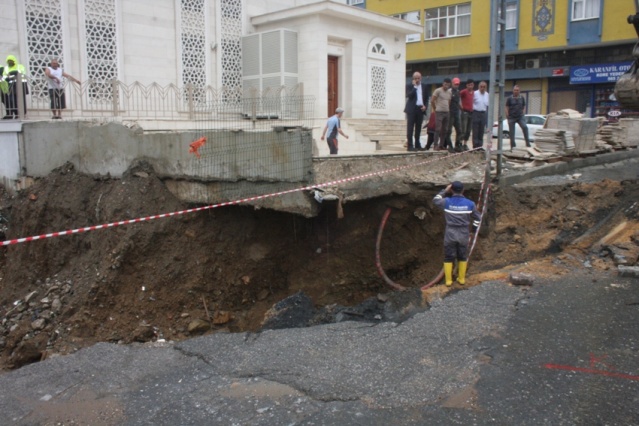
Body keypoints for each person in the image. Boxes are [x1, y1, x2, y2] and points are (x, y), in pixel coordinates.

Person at [433, 181, 481, 287]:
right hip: (464, 233)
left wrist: (444, 190)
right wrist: (473, 229)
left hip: (450, 233)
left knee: (448, 257)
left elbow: (435, 200)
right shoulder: (470, 204)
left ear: (451, 190)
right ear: (463, 190)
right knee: (462, 256)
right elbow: (478, 218)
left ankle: (448, 281)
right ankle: (461, 279)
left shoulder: (446, 202)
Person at [404, 71, 428, 151]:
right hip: (411, 109)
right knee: (410, 128)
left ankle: (418, 144)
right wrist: (414, 87)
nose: (417, 80)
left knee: (418, 128)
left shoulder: (424, 86)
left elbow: (426, 98)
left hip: (420, 109)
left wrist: (425, 106)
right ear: (413, 79)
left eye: (418, 78)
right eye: (415, 78)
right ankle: (410, 146)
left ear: (421, 78)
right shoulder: (409, 86)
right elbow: (409, 96)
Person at [505, 85, 531, 149]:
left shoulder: (522, 98)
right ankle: (513, 146)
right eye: (515, 90)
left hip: (520, 117)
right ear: (513, 91)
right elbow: (506, 106)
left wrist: (523, 112)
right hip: (511, 117)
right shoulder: (509, 98)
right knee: (512, 132)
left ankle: (527, 143)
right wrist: (507, 114)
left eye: (517, 90)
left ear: (519, 91)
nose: (516, 91)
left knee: (525, 127)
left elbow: (524, 105)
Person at [2, 55, 28, 119]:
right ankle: (15, 113)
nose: (10, 62)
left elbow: (21, 72)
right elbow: (4, 76)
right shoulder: (6, 68)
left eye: (11, 61)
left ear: (14, 61)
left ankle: (21, 114)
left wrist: (11, 73)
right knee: (12, 100)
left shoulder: (20, 66)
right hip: (11, 86)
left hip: (21, 85)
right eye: (8, 61)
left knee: (22, 101)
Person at [430, 78, 452, 152]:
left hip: (447, 112)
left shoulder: (449, 92)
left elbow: (449, 101)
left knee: (445, 129)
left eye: (448, 85)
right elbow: (432, 101)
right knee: (438, 128)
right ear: (443, 83)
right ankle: (435, 144)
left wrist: (447, 108)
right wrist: (435, 109)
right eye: (445, 84)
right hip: (439, 111)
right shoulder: (438, 91)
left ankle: (441, 145)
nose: (446, 86)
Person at [445, 77, 463, 152]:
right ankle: (449, 145)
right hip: (450, 113)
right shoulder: (449, 91)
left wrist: (462, 109)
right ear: (452, 83)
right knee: (448, 130)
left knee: (459, 130)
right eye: (455, 84)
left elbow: (459, 102)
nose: (456, 85)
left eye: (457, 84)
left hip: (456, 113)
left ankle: (457, 145)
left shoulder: (458, 92)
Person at [471, 81, 489, 150]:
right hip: (476, 113)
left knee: (481, 130)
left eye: (484, 87)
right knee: (475, 130)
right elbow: (472, 102)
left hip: (483, 113)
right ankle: (475, 146)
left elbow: (487, 104)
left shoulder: (487, 94)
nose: (482, 88)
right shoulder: (475, 93)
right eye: (481, 87)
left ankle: (480, 146)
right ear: (479, 87)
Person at [459, 79, 474, 151]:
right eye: (469, 85)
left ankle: (465, 144)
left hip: (471, 112)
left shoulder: (474, 93)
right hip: (465, 112)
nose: (470, 86)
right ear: (466, 85)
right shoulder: (464, 92)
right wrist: (460, 106)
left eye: (471, 85)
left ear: (473, 85)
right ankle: (460, 143)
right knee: (463, 129)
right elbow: (457, 97)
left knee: (468, 130)